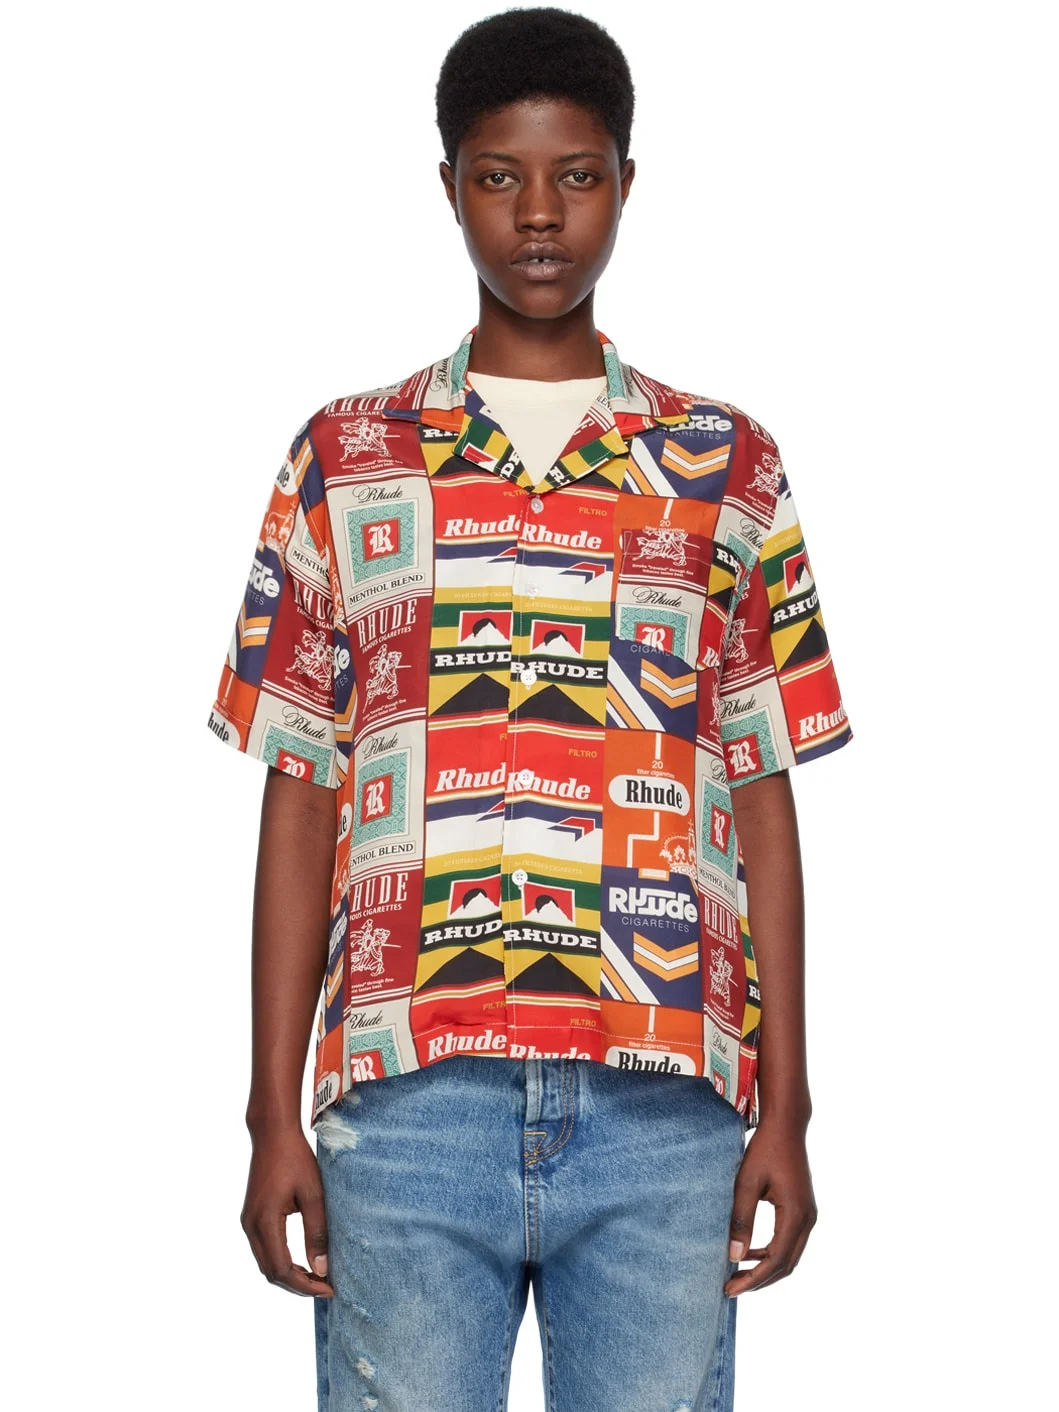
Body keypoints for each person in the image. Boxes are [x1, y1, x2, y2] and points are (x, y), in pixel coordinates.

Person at [206, 8, 854, 1409]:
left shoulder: (725, 465)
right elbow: (302, 792)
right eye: (500, 177)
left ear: (627, 182)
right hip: (407, 1096)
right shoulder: (347, 458)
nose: (541, 214)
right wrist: (270, 1114)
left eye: (578, 175)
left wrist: (789, 1104)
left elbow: (761, 791)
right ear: (449, 186)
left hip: (665, 1097)